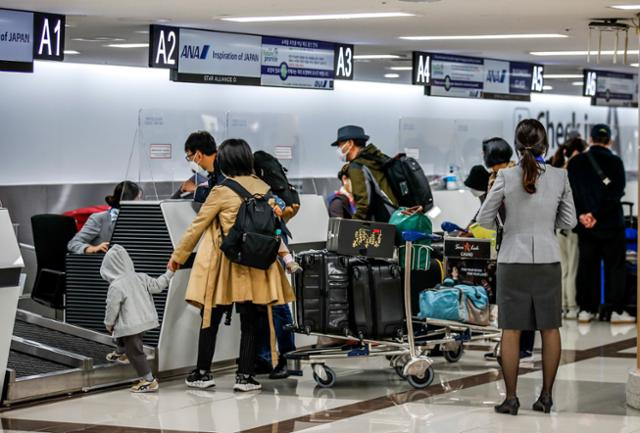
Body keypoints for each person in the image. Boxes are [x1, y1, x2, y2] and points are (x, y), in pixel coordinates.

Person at [168, 138, 295, 392]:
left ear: (224, 161)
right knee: (250, 321)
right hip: (258, 266)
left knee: (211, 318)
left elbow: (197, 227)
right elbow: (275, 227)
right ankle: (245, 376)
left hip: (226, 266)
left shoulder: (221, 191)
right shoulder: (264, 187)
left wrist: (177, 258)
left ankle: (203, 373)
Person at [477, 119, 577, 415]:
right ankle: (546, 397)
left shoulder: (506, 177)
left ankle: (510, 398)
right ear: (545, 145)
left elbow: (484, 219)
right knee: (550, 328)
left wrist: (508, 228)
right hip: (548, 259)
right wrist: (546, 227)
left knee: (511, 330)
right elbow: (569, 221)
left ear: (517, 146)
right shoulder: (560, 176)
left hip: (512, 260)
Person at [568, 124, 634, 324]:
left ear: (590, 139)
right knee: (615, 267)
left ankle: (586, 309)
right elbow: (617, 192)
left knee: (587, 267)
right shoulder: (615, 162)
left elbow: (570, 192)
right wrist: (597, 214)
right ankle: (615, 311)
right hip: (611, 224)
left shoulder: (576, 162)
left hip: (585, 226)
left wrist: (583, 215)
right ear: (609, 141)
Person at [102, 244, 174, 393]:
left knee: (135, 352)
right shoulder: (141, 277)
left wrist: (108, 323)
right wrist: (170, 272)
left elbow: (112, 308)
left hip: (131, 326)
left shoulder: (116, 286)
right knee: (124, 336)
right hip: (145, 321)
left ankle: (148, 380)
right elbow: (158, 286)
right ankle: (121, 352)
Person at [550, 137, 587, 320]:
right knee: (572, 268)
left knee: (563, 268)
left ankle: (563, 305)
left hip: (557, 228)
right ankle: (572, 306)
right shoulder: (574, 169)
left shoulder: (557, 168)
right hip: (571, 227)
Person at [330, 125, 398, 221]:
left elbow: (363, 205)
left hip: (385, 223)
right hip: (397, 216)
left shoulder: (357, 167)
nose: (339, 149)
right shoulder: (374, 159)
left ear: (350, 143)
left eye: (340, 145)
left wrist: (352, 226)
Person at [67, 181, 141, 254]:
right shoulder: (99, 219)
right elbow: (73, 244)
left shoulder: (138, 220)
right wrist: (93, 248)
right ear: (128, 200)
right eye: (138, 199)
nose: (140, 202)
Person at [181, 131, 225, 203]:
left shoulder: (225, 167)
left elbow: (220, 196)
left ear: (199, 155)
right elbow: (213, 184)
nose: (191, 161)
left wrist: (195, 189)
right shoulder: (216, 168)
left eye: (189, 157)